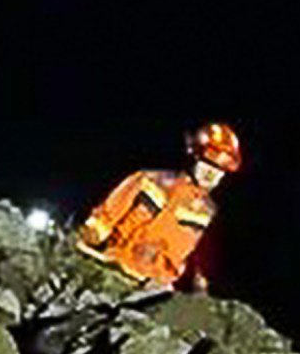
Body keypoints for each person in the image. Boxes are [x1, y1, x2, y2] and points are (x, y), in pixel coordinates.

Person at [75, 120, 240, 290]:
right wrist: (87, 243)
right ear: (194, 155)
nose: (212, 174)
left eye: (221, 170)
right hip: (111, 273)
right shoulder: (148, 181)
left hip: (152, 293)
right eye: (209, 164)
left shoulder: (207, 213)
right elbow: (102, 221)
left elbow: (196, 263)